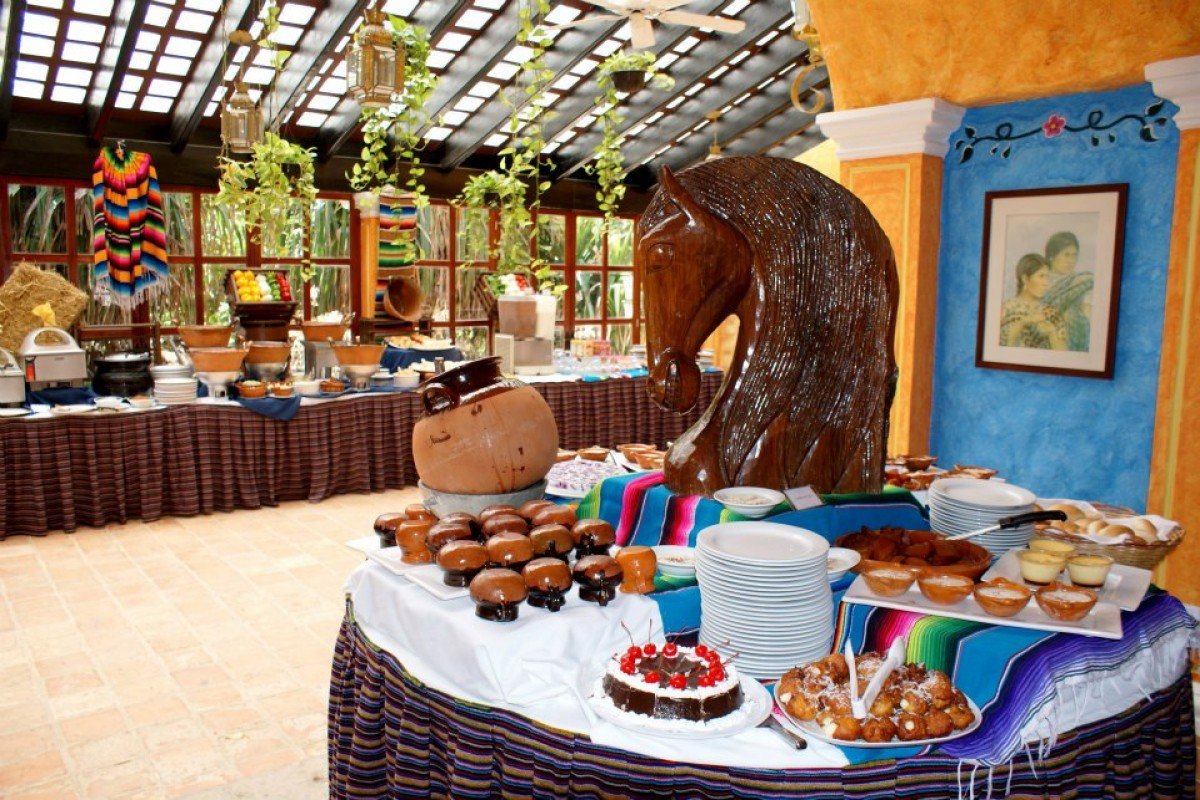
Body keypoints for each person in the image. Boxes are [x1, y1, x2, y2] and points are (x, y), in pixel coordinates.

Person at [999, 253, 1067, 349]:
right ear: (1025, 279)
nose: (1046, 283)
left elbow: (1062, 353)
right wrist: (1022, 322)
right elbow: (1000, 349)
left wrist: (1051, 332)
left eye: (1047, 277)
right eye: (1041, 276)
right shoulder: (1006, 309)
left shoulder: (1052, 313)